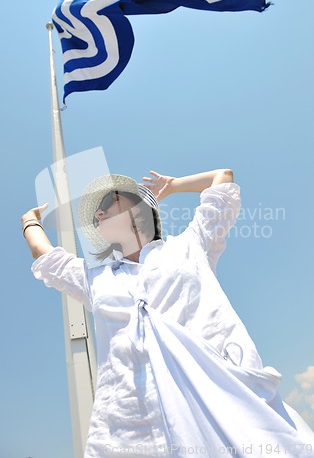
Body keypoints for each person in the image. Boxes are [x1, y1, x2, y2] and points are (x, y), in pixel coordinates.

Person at [22, 169, 314, 458]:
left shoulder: (191, 244)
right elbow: (47, 257)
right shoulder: (95, 278)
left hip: (223, 404)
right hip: (135, 428)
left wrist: (173, 186)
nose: (98, 215)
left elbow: (223, 178)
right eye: (97, 214)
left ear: (138, 209)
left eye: (106, 206)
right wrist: (29, 221)